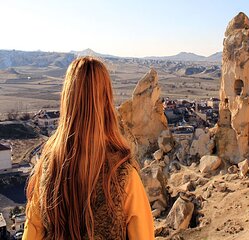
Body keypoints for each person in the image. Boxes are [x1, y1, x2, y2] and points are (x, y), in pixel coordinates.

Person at [23, 57, 154, 240]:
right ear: (106, 102)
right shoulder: (123, 176)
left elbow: (32, 231)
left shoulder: (47, 168)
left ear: (67, 100)